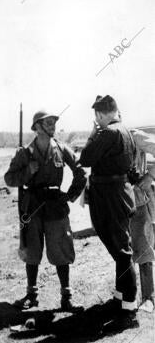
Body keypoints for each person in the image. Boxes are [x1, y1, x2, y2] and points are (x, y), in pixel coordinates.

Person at [4, 110, 86, 311]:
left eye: (53, 122)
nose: (53, 126)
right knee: (32, 250)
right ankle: (31, 295)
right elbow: (9, 179)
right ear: (37, 127)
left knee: (61, 249)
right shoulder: (24, 153)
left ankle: (66, 297)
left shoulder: (61, 148)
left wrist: (69, 196)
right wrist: (27, 171)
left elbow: (81, 172)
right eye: (48, 123)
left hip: (55, 207)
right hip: (32, 207)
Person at [80, 95, 139, 332]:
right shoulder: (124, 130)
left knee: (122, 251)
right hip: (119, 194)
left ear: (102, 114)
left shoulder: (108, 133)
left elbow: (85, 158)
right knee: (119, 247)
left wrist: (93, 134)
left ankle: (129, 307)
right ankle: (121, 297)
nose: (96, 120)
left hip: (110, 197)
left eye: (97, 115)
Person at [130, 128, 155, 312]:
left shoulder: (134, 136)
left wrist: (151, 175)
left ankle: (149, 297)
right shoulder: (102, 139)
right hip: (116, 203)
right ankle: (124, 296)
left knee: (143, 247)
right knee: (121, 251)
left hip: (137, 200)